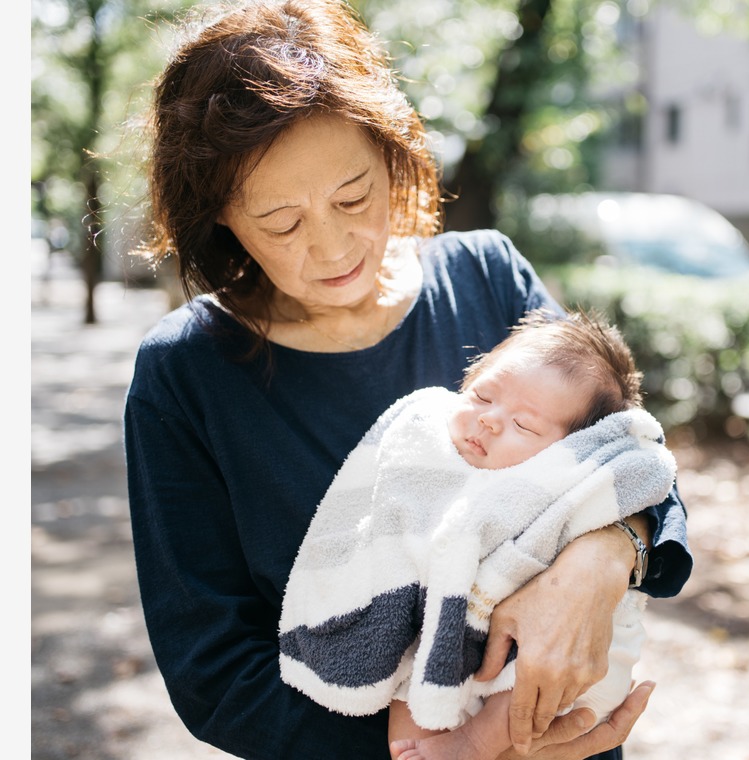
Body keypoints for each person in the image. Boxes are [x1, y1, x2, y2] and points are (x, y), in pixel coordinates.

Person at [123, 1, 692, 758]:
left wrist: (606, 554)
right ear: (221, 217)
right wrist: (466, 748)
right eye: (283, 222)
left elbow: (631, 454)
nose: (333, 247)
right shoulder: (185, 373)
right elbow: (214, 674)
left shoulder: (487, 275)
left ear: (391, 154)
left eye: (353, 197)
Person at [277, 310, 677, 760]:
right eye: (483, 396)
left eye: (525, 425)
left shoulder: (565, 482)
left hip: (561, 662)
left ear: (572, 447)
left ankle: (475, 742)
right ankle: (413, 750)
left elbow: (643, 482)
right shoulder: (426, 445)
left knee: (537, 667)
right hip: (451, 627)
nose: (490, 420)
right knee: (411, 668)